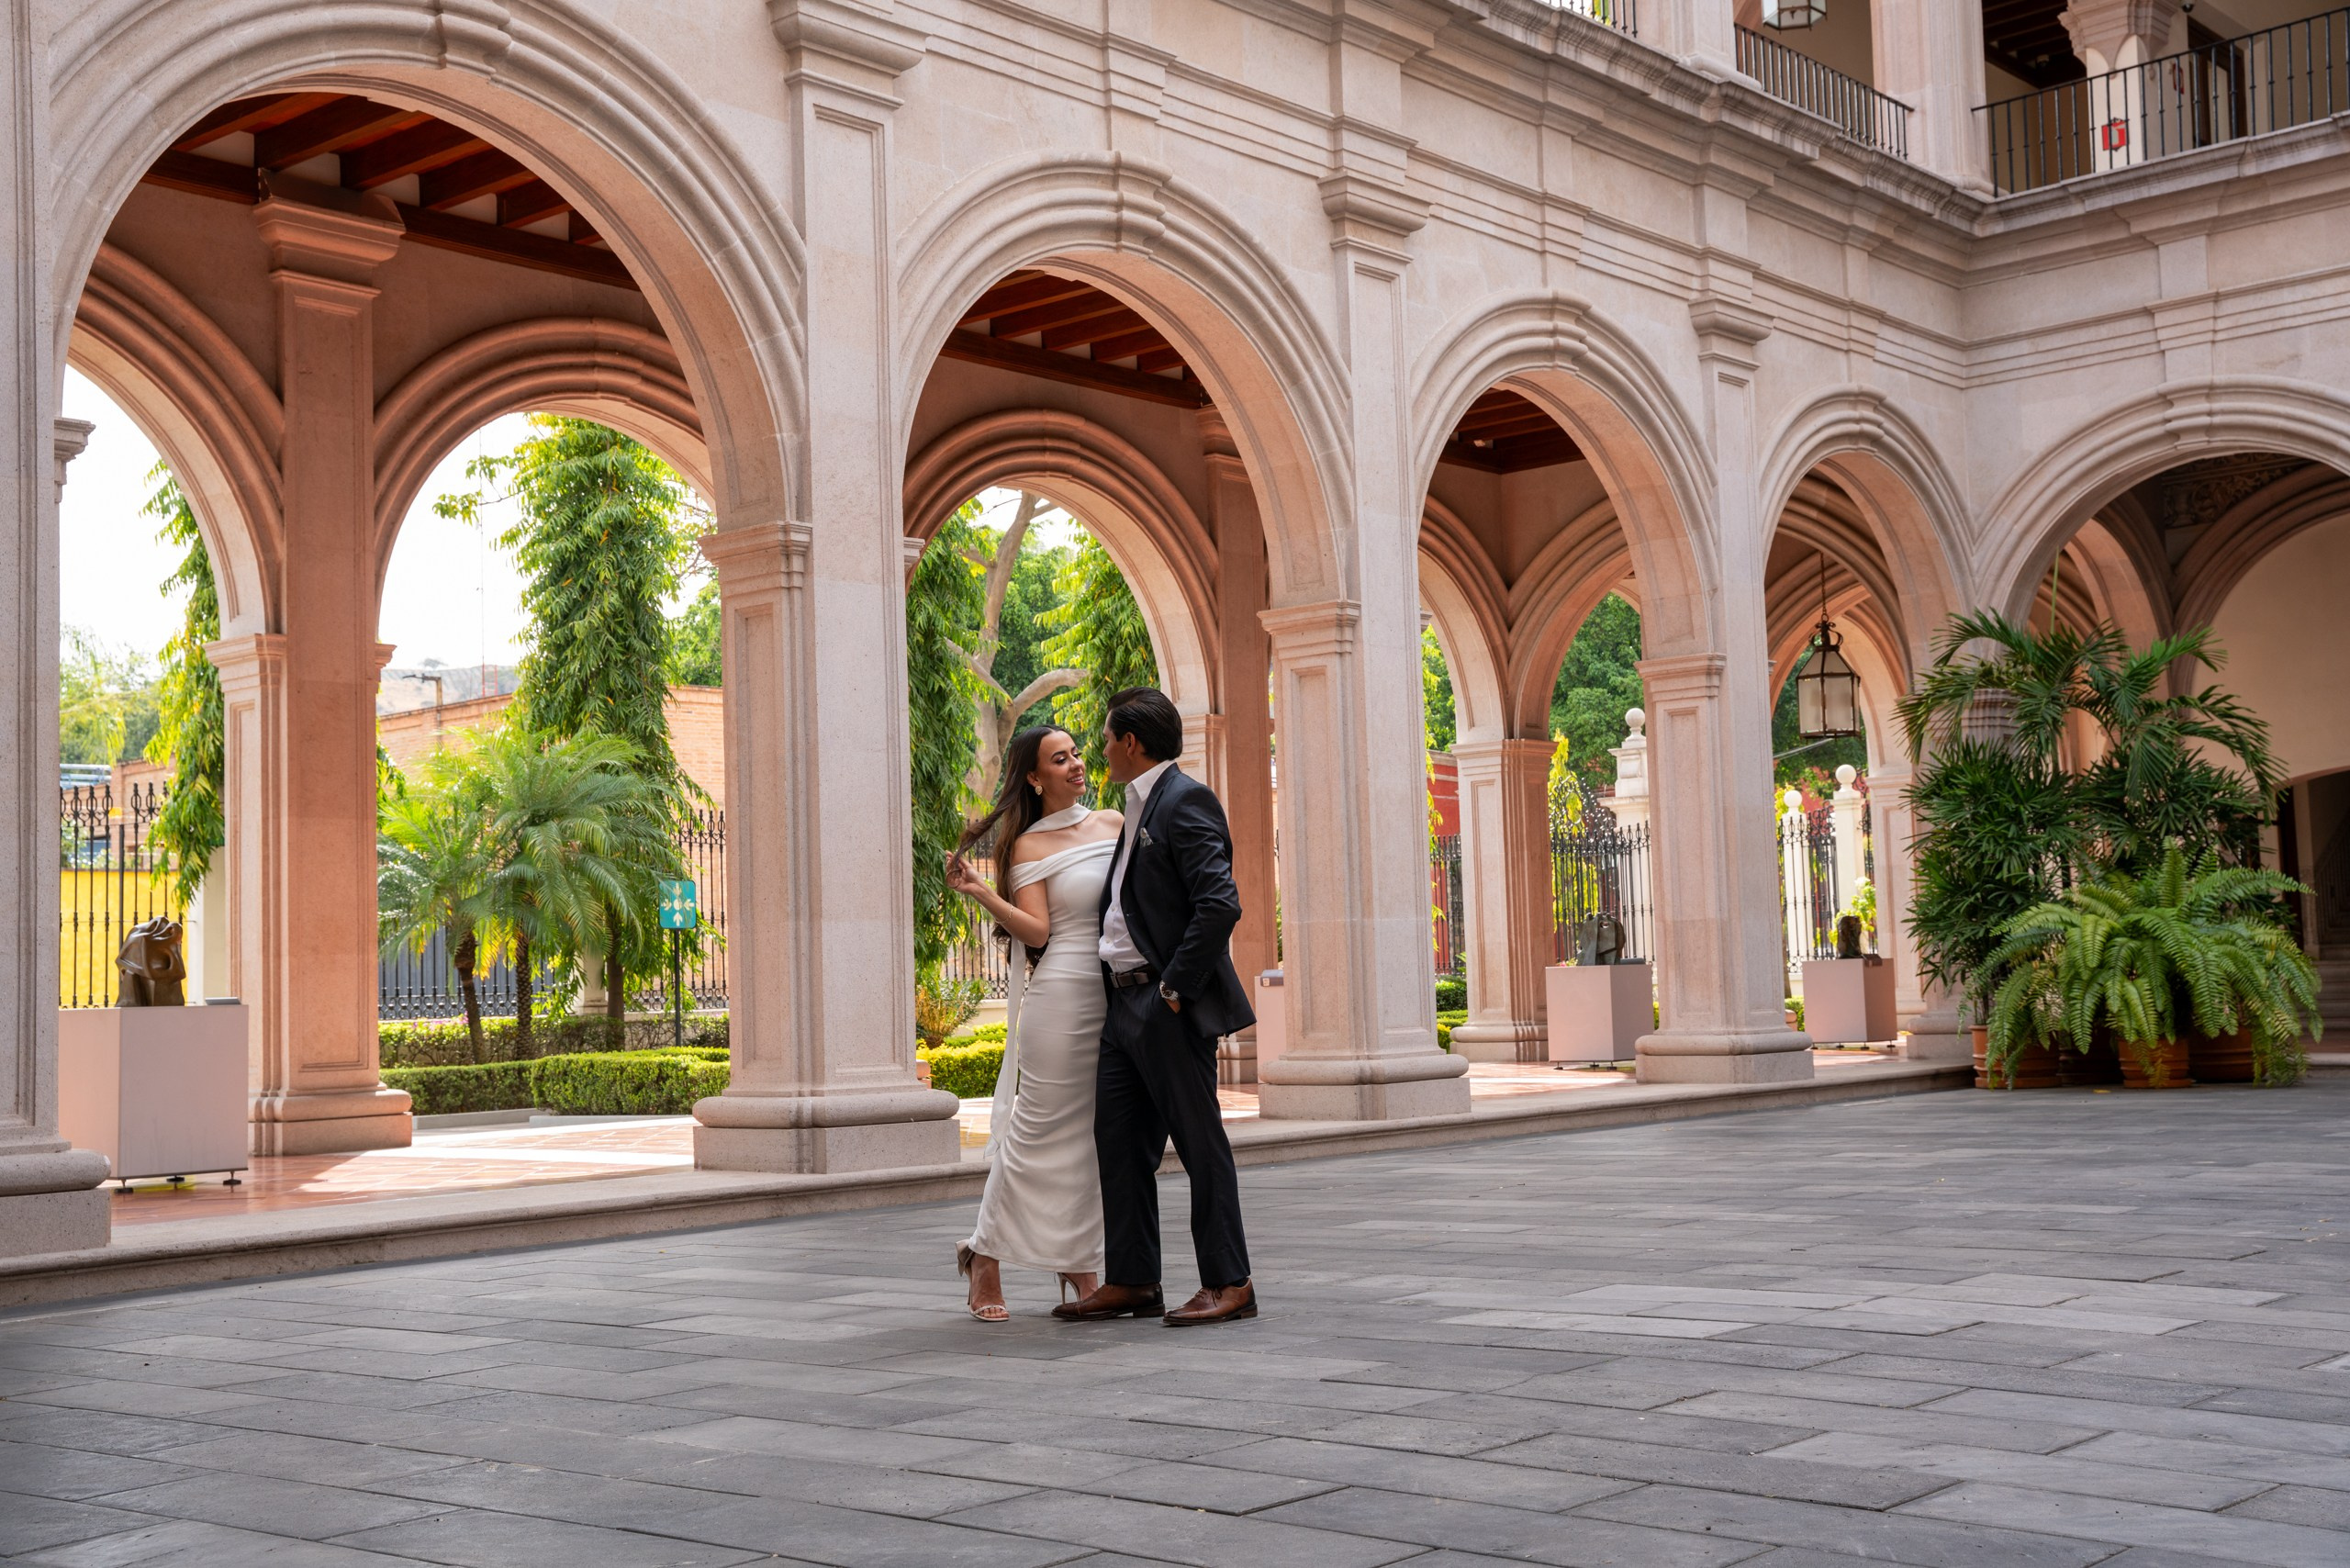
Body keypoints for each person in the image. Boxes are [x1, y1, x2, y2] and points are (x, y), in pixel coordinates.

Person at [1054, 688, 1259, 1327]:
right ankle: (1134, 1279)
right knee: (1118, 1146)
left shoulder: (1184, 799)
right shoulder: (1139, 805)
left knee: (1201, 1147)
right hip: (1122, 1008)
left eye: (1108, 737)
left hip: (1163, 1004)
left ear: (1132, 742)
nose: (1102, 748)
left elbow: (1219, 903)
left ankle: (1230, 1282)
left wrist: (1174, 987)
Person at [944, 727, 1121, 1320]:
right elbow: (1039, 933)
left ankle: (1076, 1258)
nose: (1075, 764)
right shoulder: (1026, 848)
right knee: (1034, 1134)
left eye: (1075, 753)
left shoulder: (1114, 825)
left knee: (1088, 1140)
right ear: (1033, 777)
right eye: (1059, 758)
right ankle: (984, 1256)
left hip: (1115, 995)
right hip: (1060, 1000)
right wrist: (977, 892)